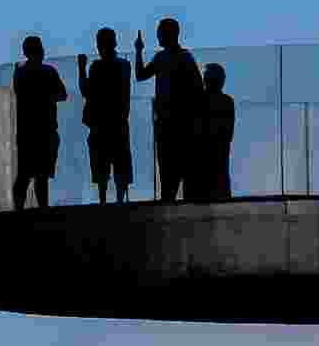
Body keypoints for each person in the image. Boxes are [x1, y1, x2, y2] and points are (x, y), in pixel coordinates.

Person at [134, 18, 204, 203]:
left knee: (172, 166)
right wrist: (138, 51)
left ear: (169, 34)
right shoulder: (171, 57)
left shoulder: (176, 57)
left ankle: (172, 201)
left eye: (160, 32)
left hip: (176, 122)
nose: (158, 36)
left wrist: (138, 51)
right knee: (170, 167)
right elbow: (141, 75)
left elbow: (141, 75)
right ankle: (175, 201)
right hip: (171, 122)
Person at [78, 28, 133, 204]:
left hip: (101, 124)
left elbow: (86, 91)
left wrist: (81, 68)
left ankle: (104, 201)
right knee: (120, 164)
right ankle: (118, 201)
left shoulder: (97, 67)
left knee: (102, 166)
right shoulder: (123, 65)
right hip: (118, 123)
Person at [13, 36, 68, 209]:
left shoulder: (21, 73)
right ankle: (40, 208)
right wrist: (46, 97)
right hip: (43, 129)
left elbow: (61, 94)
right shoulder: (47, 72)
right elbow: (62, 94)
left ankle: (21, 209)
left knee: (27, 174)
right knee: (39, 175)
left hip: (30, 130)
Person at [191, 63, 235, 201]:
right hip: (215, 154)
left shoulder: (198, 100)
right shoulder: (226, 101)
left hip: (206, 154)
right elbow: (228, 132)